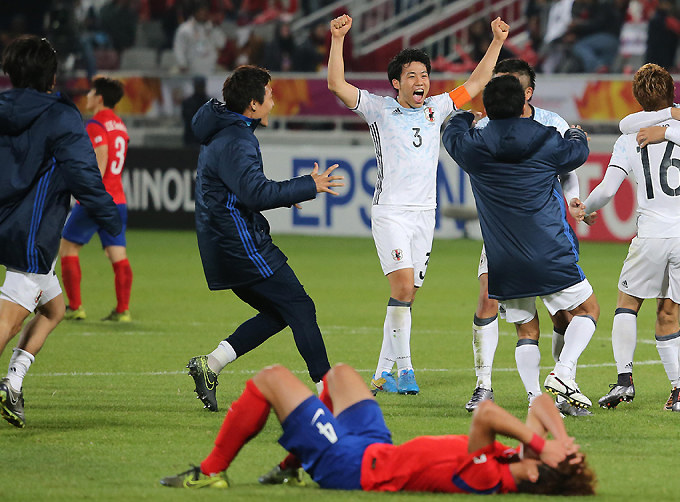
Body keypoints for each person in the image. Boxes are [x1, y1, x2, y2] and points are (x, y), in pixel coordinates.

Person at [327, 14, 509, 396]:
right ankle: (407, 370)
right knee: (402, 287)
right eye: (411, 76)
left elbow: (476, 84)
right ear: (396, 83)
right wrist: (338, 39)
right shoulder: (378, 108)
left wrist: (496, 42)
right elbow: (337, 85)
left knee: (406, 295)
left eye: (424, 75)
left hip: (425, 215)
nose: (420, 81)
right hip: (391, 212)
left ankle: (381, 374)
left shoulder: (436, 108)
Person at [159, 362, 595, 495]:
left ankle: (210, 471)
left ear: (534, 473)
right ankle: (292, 466)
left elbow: (486, 414)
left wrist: (542, 444)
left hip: (350, 466)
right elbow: (540, 403)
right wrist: (558, 441)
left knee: (272, 378)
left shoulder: (488, 478)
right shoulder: (518, 462)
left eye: (541, 456)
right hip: (374, 447)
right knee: (341, 375)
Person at [185, 65, 343, 412]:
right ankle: (329, 393)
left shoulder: (226, 131)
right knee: (300, 306)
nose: (273, 101)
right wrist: (307, 185)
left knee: (279, 312)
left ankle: (211, 364)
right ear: (253, 105)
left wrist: (291, 193)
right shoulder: (237, 139)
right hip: (240, 245)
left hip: (223, 244)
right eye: (270, 95)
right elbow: (255, 193)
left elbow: (240, 191)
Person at [581, 63, 680, 413]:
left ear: (637, 98)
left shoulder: (628, 137)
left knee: (627, 304)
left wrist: (584, 209)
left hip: (649, 235)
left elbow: (606, 190)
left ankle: (624, 379)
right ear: (675, 93)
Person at [442, 75, 597, 412]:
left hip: (503, 256)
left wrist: (466, 116)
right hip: (548, 248)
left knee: (526, 328)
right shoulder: (544, 138)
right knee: (587, 310)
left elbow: (451, 134)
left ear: (488, 109)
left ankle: (534, 399)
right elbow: (577, 152)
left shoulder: (474, 146)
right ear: (523, 104)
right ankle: (563, 372)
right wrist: (575, 134)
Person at [0, 36, 121, 428]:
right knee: (8, 320)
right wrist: (109, 216)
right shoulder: (60, 115)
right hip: (32, 231)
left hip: (8, 221)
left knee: (54, 309)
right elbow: (84, 175)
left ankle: (13, 382)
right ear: (52, 76)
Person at [60, 76, 132, 322]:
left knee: (67, 247)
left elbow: (99, 166)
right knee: (117, 254)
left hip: (97, 198)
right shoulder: (120, 125)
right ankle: (122, 310)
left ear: (99, 98)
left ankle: (75, 307)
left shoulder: (96, 124)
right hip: (117, 199)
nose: (87, 96)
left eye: (90, 93)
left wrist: (84, 190)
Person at [173, 0, 226, 76]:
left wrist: (214, 28)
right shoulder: (185, 29)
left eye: (205, 11)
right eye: (200, 11)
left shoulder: (212, 27)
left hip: (210, 70)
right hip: (191, 70)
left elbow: (221, 43)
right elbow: (179, 48)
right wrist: (182, 63)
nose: (203, 14)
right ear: (195, 12)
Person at [181, 75, 210, 147]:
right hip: (191, 139)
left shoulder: (210, 103)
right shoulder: (188, 102)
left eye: (201, 86)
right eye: (198, 86)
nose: (200, 88)